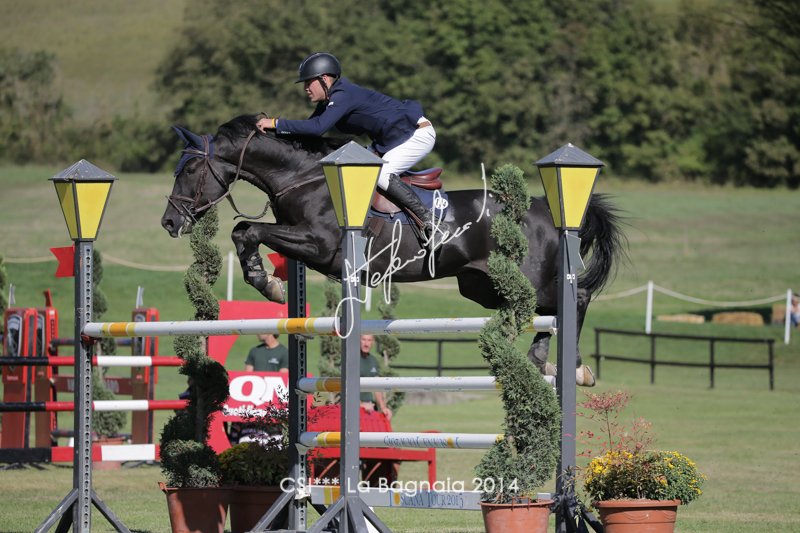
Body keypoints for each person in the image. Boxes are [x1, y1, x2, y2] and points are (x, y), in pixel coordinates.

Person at [256, 52, 447, 241]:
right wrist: (273, 135)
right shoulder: (330, 100)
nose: (306, 88)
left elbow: (317, 128)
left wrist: (275, 123)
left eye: (308, 82)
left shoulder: (343, 95)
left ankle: (432, 224)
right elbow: (308, 130)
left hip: (416, 134)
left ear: (324, 79)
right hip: (393, 139)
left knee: (382, 175)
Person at [359, 334, 392, 420]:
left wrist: (383, 408)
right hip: (353, 408)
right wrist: (360, 405)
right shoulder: (351, 359)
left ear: (373, 342)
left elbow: (377, 387)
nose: (366, 344)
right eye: (363, 340)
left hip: (369, 407)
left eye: (369, 340)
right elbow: (346, 387)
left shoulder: (373, 361)